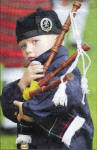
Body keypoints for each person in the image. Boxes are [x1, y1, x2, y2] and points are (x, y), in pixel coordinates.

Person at [1, 8, 93, 150]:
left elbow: (61, 101)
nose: (28, 50)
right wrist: (21, 84)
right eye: (23, 45)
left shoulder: (66, 71)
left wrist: (26, 109)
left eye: (35, 41)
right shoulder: (32, 76)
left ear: (57, 39)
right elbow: (10, 111)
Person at [0, 0, 52, 134]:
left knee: (14, 58)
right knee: (35, 56)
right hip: (37, 9)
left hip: (13, 7)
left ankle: (14, 121)